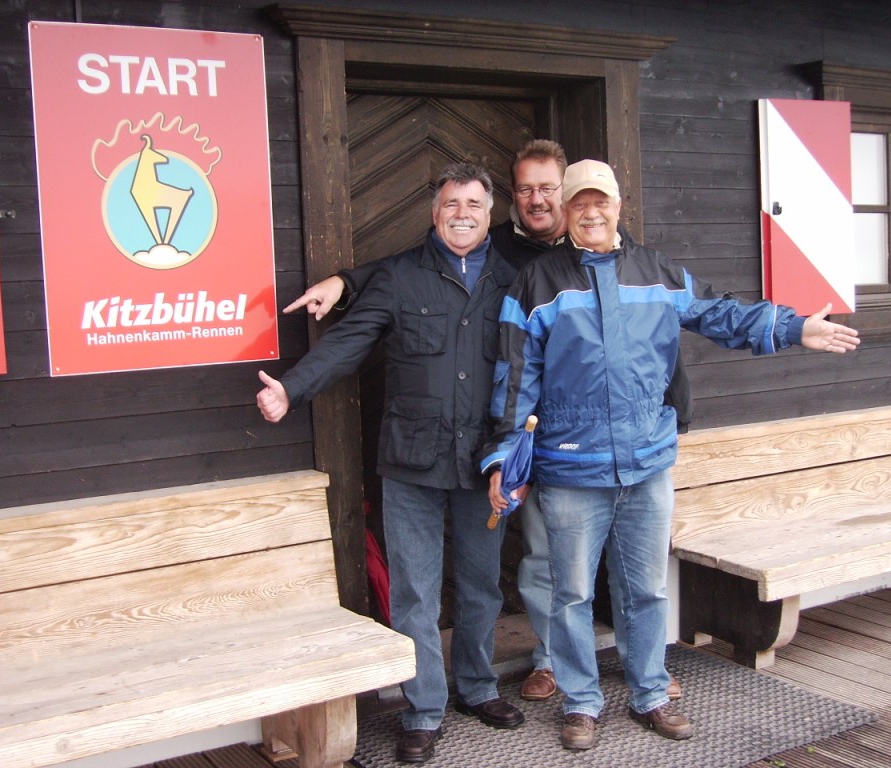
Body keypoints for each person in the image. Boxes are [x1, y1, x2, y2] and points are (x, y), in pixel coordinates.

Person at [284, 140, 692, 704]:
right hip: (521, 445)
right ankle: (542, 667)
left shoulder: (607, 248)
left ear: (574, 197)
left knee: (624, 566)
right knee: (547, 562)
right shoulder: (511, 259)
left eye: (548, 188)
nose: (537, 199)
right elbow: (408, 267)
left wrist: (675, 406)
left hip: (603, 441)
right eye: (525, 189)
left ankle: (643, 669)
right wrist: (346, 282)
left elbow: (656, 322)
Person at [481, 159, 860, 751]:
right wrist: (505, 457)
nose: (591, 212)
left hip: (647, 462)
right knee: (571, 595)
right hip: (572, 467)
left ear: (618, 206)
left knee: (646, 589)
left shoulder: (656, 271)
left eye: (600, 201)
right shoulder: (538, 282)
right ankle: (581, 702)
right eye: (579, 203)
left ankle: (650, 692)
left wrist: (792, 327)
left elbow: (718, 313)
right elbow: (513, 377)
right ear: (565, 211)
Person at [257, 162, 525, 765]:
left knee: (482, 584)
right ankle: (423, 709)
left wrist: (521, 456)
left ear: (491, 215)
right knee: (414, 594)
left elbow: (527, 372)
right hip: (410, 462)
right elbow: (349, 342)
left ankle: (478, 688)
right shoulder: (399, 277)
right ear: (435, 213)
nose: (462, 214)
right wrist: (292, 389)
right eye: (451, 203)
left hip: (484, 463)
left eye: (474, 204)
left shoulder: (513, 281)